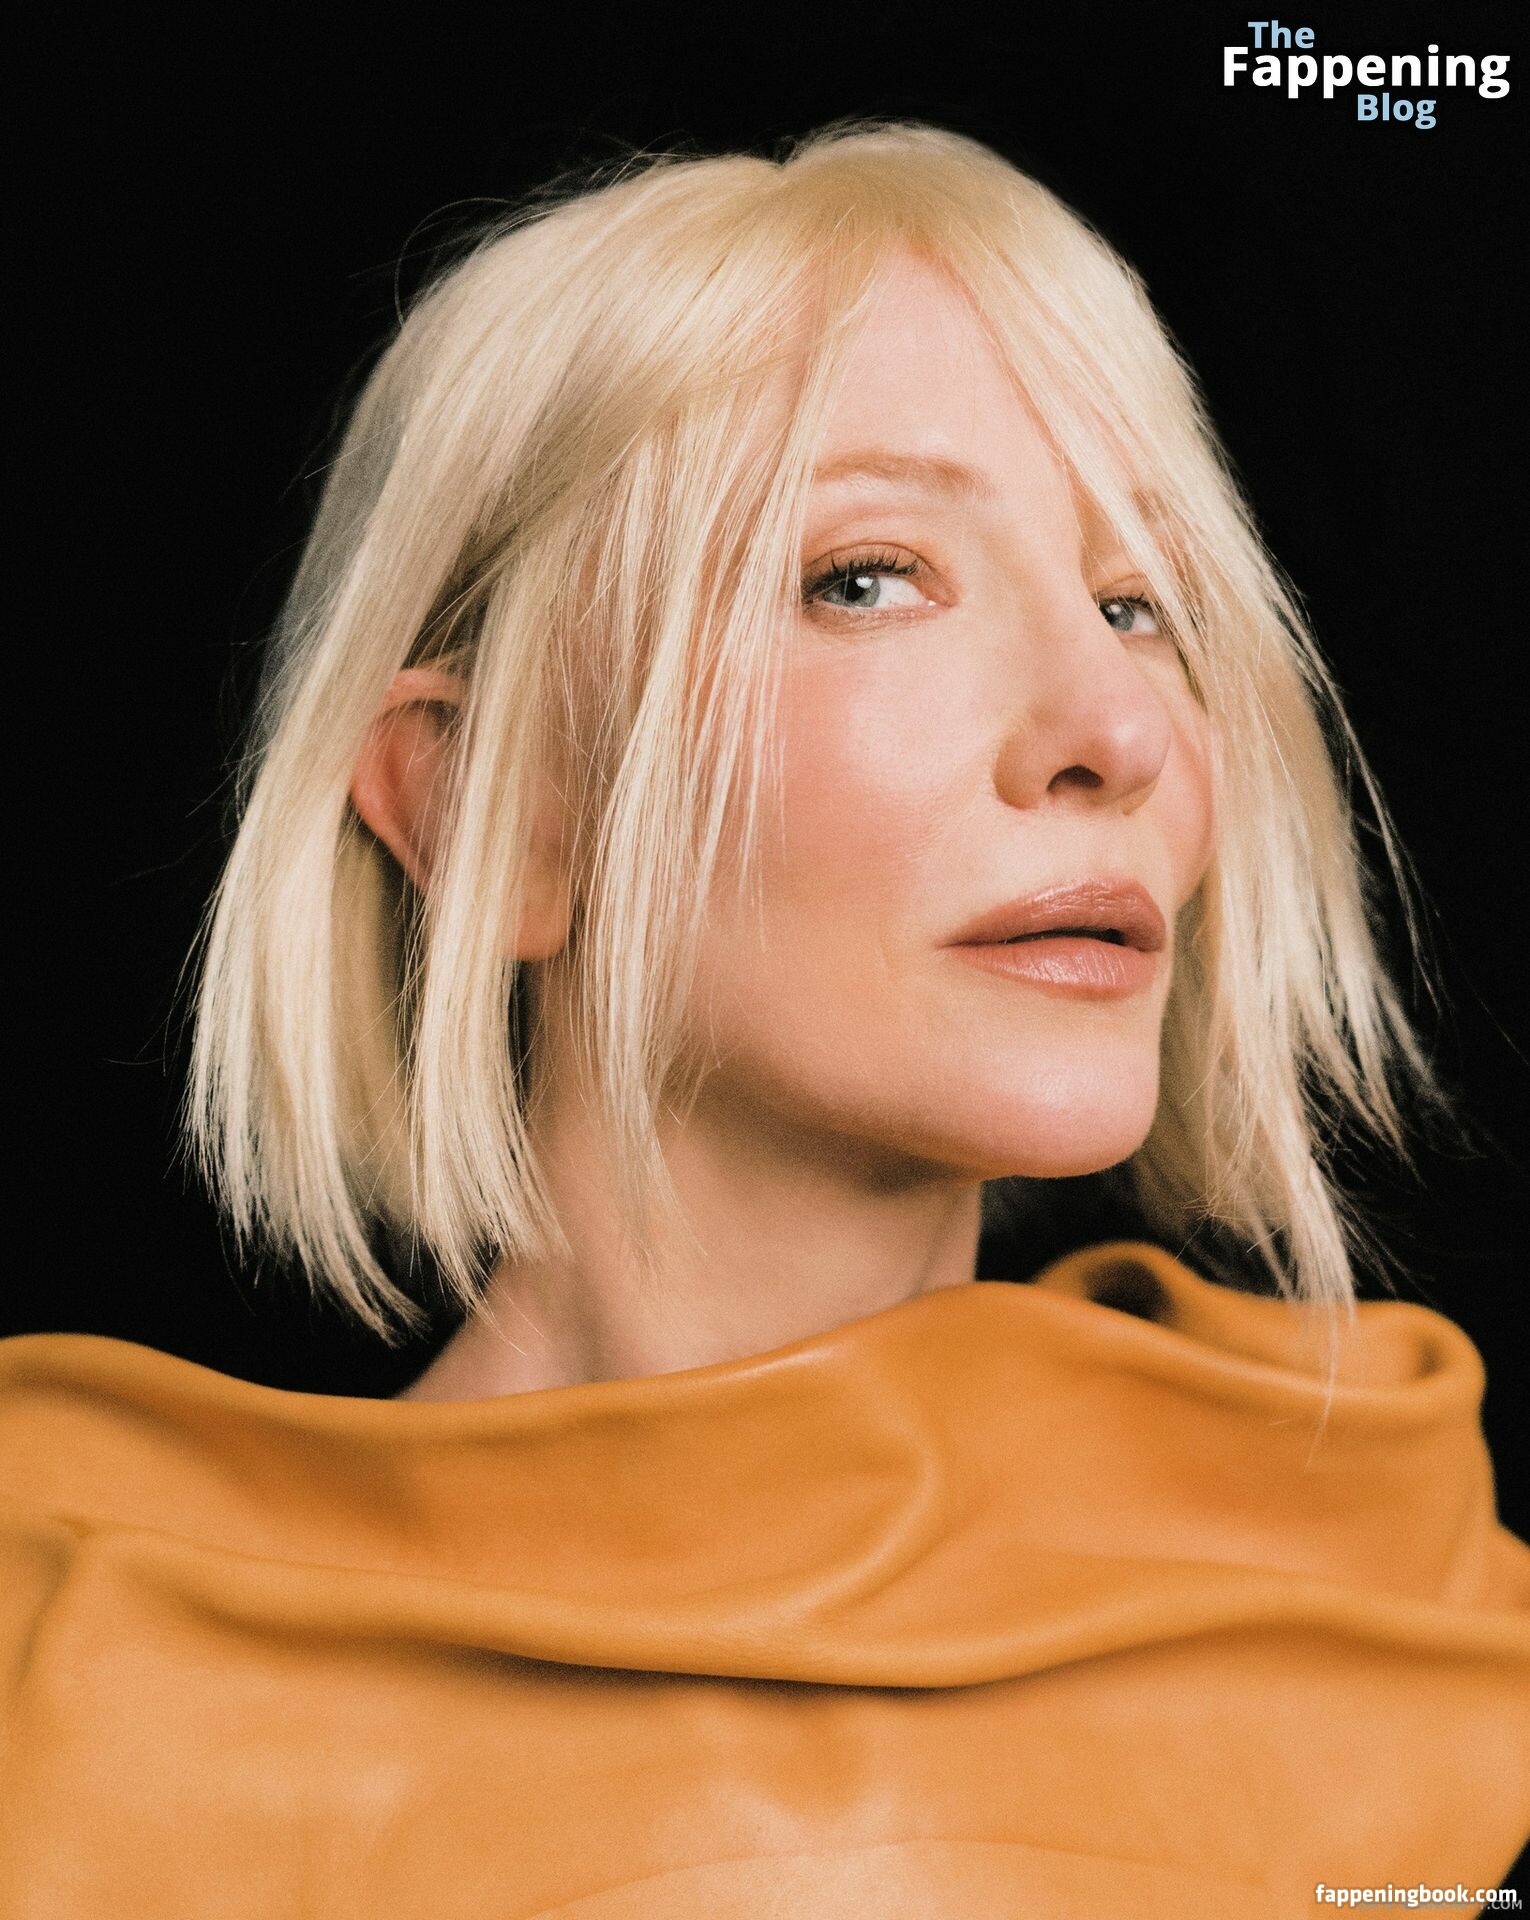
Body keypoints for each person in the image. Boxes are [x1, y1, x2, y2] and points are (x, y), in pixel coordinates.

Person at [1, 121, 1525, 1917]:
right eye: (864, 576)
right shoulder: (67, 1686)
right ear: (493, 807)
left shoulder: (1400, 1585)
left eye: (1141, 603)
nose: (1115, 727)